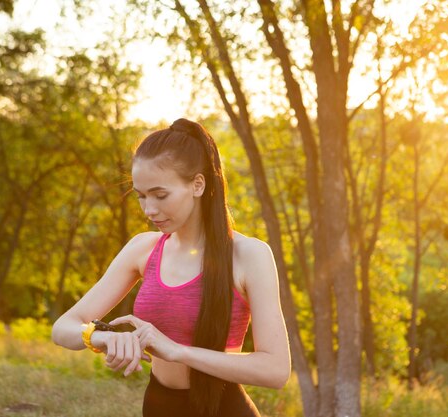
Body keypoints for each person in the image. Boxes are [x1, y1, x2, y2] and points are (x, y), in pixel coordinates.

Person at [51, 118, 291, 417]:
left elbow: (276, 369)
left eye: (160, 195)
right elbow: (63, 328)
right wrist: (106, 338)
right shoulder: (143, 249)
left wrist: (177, 351)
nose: (150, 209)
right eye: (141, 196)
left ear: (198, 184)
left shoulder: (249, 255)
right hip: (158, 407)